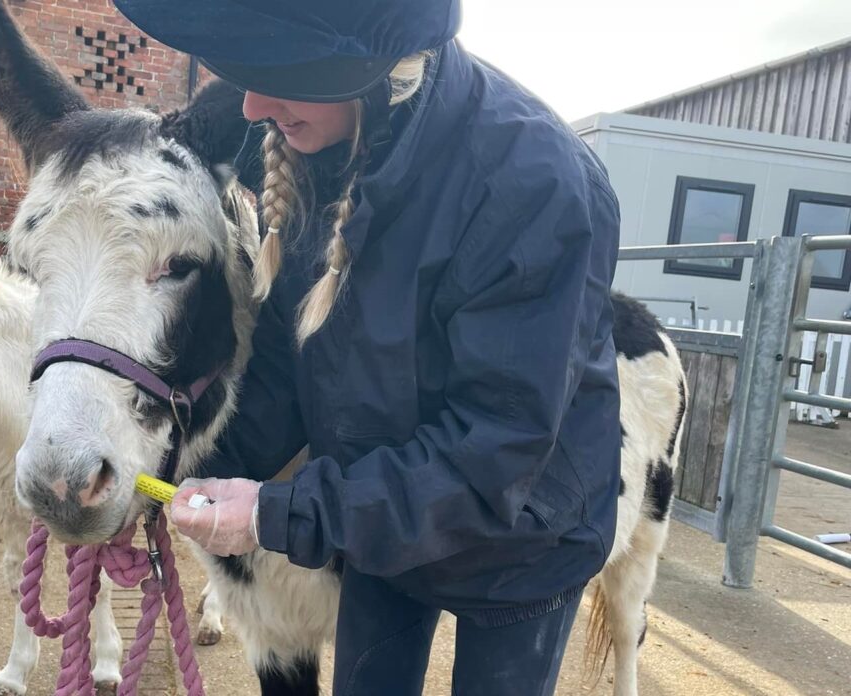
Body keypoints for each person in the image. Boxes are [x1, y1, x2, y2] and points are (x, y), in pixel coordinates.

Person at [114, 1, 622, 693]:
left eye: (279, 74)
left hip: (524, 538)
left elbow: (494, 456)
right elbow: (286, 371)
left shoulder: (535, 183)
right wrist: (156, 468)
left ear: (368, 68)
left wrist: (274, 513)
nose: (255, 104)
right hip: (383, 517)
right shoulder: (319, 145)